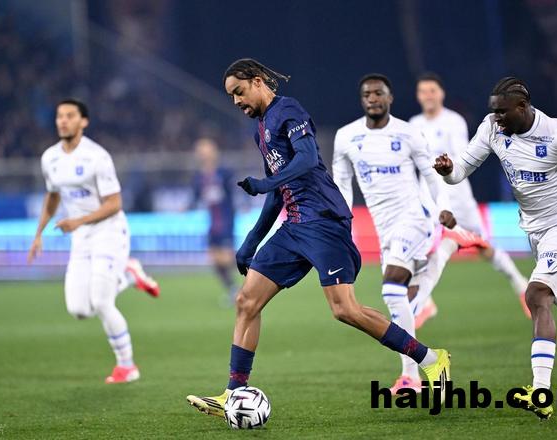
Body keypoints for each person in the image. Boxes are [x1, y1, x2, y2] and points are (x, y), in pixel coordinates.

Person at [186, 59, 451, 418]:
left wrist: (265, 183)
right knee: (246, 301)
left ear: (258, 81)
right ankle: (233, 393)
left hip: (325, 222)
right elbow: (277, 192)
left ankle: (431, 359)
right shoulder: (260, 130)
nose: (236, 101)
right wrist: (252, 240)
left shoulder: (288, 111)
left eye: (239, 92)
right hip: (294, 225)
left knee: (345, 310)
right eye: (232, 96)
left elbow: (309, 158)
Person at [434, 77, 557, 419]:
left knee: (536, 294)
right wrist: (447, 170)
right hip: (536, 234)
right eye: (494, 111)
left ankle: (541, 393)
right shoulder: (492, 128)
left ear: (522, 106)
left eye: (502, 112)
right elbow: (461, 171)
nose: (497, 118)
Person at [333, 73, 456, 395]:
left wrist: (443, 206)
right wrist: (342, 222)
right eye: (367, 94)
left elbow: (431, 174)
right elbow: (342, 183)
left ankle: (410, 376)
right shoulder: (346, 137)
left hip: (415, 217)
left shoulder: (408, 132)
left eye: (379, 93)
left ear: (390, 98)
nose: (373, 98)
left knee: (391, 288)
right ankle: (444, 252)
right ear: (362, 100)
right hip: (384, 227)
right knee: (405, 299)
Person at [28, 99, 160, 384]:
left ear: (83, 121)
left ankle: (127, 366)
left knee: (101, 301)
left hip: (108, 231)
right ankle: (129, 274)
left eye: (70, 115)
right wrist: (39, 233)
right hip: (81, 237)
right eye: (59, 116)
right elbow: (53, 196)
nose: (63, 121)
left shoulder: (97, 157)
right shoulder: (50, 158)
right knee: (79, 309)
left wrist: (78, 221)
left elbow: (114, 203)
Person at [409, 73, 530, 327]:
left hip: (457, 196)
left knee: (483, 246)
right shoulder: (414, 123)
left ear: (441, 93)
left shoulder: (454, 121)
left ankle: (521, 284)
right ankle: (425, 303)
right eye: (423, 91)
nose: (428, 96)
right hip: (427, 198)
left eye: (432, 90)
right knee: (419, 248)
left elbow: (461, 159)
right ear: (418, 96)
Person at [191, 138, 237, 305]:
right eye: (200, 151)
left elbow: (233, 192)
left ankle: (254, 272)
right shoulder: (198, 177)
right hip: (213, 223)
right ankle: (233, 290)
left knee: (226, 258)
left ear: (213, 152)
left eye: (205, 151)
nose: (202, 154)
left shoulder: (224, 172)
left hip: (226, 220)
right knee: (215, 259)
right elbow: (196, 197)